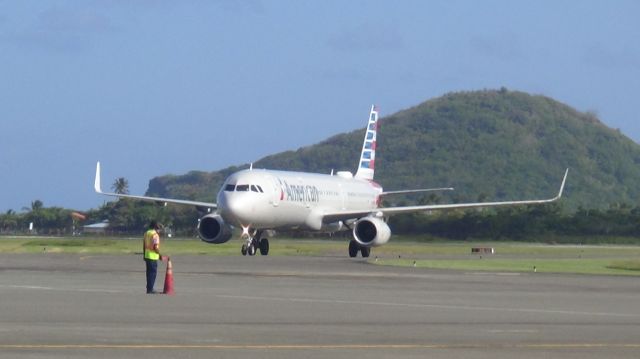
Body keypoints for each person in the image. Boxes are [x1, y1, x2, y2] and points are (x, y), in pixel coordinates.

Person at [143, 220, 163, 294]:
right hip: (153, 257)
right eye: (159, 228)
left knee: (148, 273)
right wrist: (160, 255)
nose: (159, 230)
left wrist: (144, 255)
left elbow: (144, 245)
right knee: (152, 273)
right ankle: (150, 289)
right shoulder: (155, 235)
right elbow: (155, 247)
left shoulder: (146, 233)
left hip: (147, 256)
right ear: (156, 227)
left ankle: (149, 287)